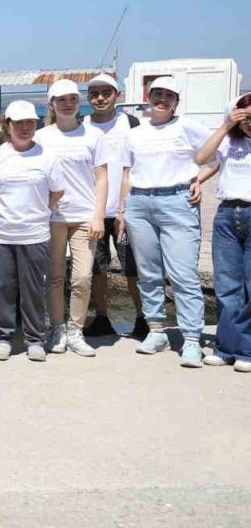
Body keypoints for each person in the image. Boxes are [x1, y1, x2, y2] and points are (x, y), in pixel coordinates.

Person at [118, 76, 217, 367]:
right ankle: (156, 330)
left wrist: (198, 179)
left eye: (169, 95)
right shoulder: (135, 132)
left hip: (177, 202)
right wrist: (123, 211)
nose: (162, 99)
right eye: (157, 93)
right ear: (148, 96)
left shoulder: (188, 126)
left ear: (177, 101)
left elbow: (216, 157)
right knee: (148, 273)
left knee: (183, 274)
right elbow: (127, 172)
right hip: (139, 203)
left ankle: (190, 340)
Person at [34, 79, 108, 357]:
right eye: (61, 99)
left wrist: (99, 216)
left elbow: (102, 178)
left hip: (84, 216)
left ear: (79, 103)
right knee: (53, 277)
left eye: (72, 99)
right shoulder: (42, 137)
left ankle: (75, 329)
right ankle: (56, 328)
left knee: (82, 277)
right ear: (51, 104)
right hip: (52, 218)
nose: (67, 104)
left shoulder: (92, 136)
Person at [0, 101, 65, 362]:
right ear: (6, 125)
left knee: (33, 290)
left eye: (30, 123)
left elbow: (57, 191)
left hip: (34, 234)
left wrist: (39, 210)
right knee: (2, 289)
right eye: (18, 123)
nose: (24, 128)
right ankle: (4, 338)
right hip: (0, 234)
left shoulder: (47, 156)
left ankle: (34, 338)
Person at [82, 74, 145, 338]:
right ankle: (102, 317)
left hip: (127, 210)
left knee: (134, 267)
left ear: (117, 95)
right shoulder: (81, 125)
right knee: (97, 268)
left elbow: (139, 164)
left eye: (106, 93)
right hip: (94, 211)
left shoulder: (131, 124)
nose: (100, 98)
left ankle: (143, 318)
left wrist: (126, 207)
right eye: (94, 93)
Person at [197, 93, 251, 372]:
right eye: (244, 114)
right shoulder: (230, 142)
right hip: (228, 214)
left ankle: (247, 350)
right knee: (227, 285)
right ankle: (225, 347)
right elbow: (202, 157)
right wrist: (225, 126)